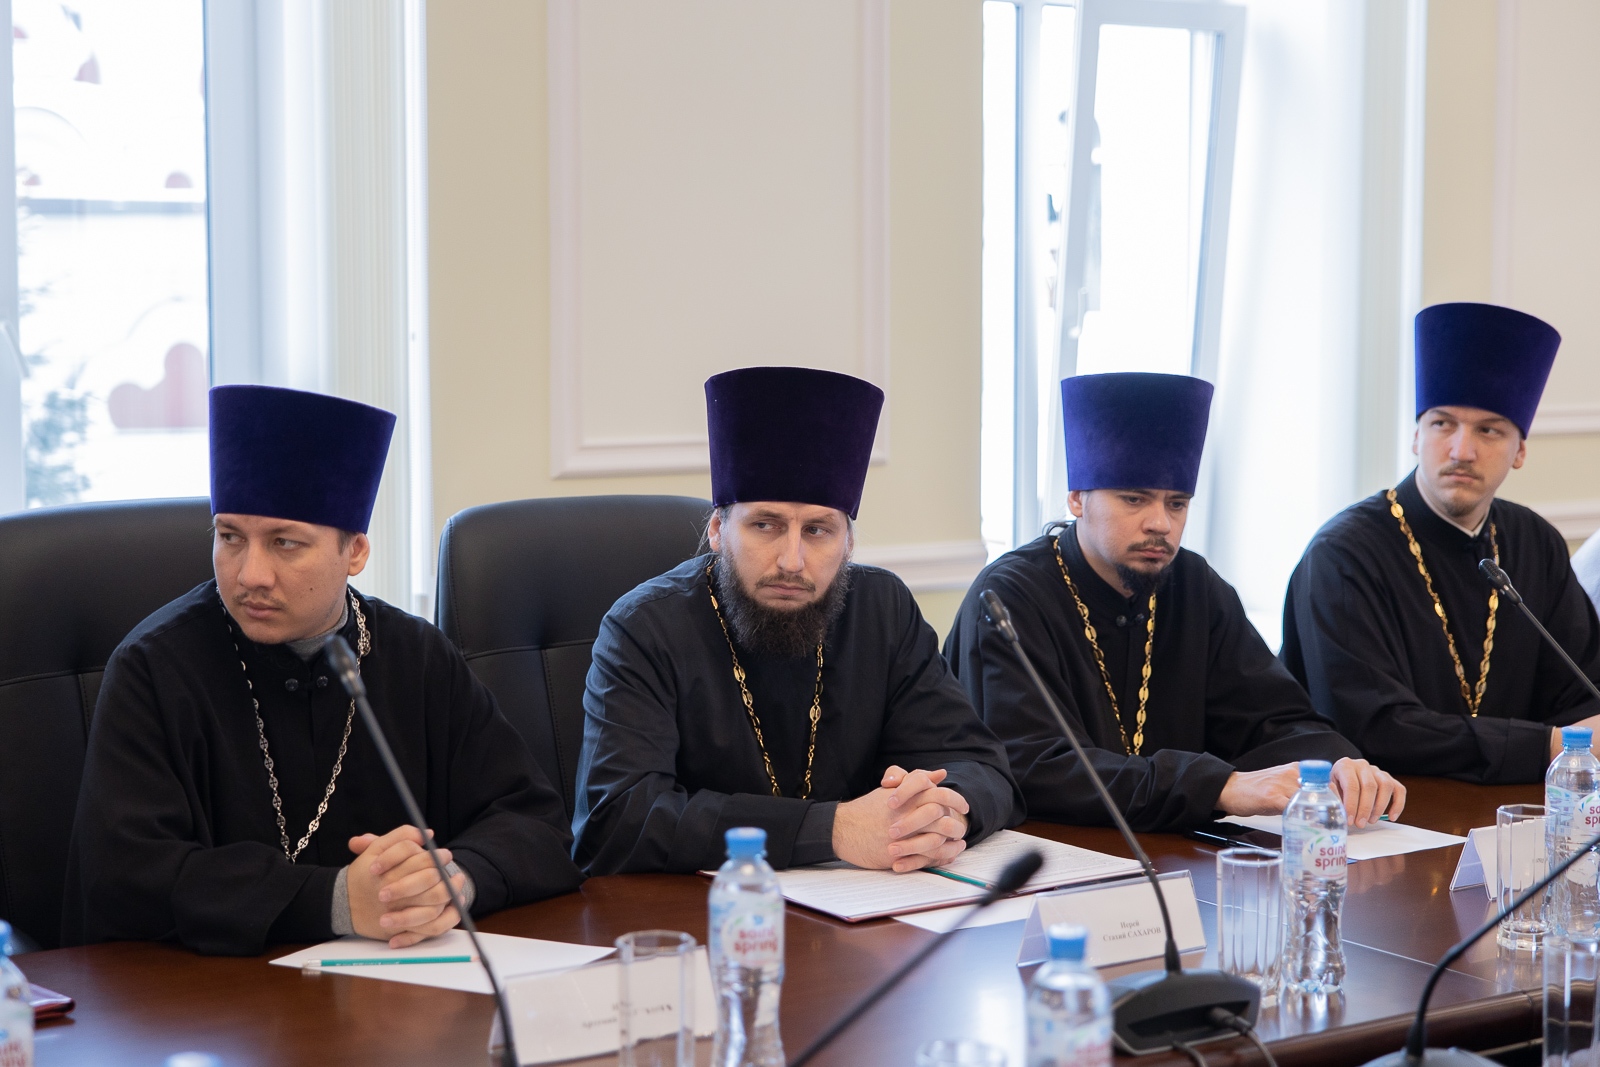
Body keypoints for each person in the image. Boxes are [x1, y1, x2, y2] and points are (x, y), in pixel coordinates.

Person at [63, 385, 582, 955]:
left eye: (285, 543)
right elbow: (125, 880)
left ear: (354, 551)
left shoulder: (417, 657)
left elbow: (536, 825)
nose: (250, 574)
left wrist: (451, 883)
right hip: (210, 998)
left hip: (398, 991)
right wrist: (335, 900)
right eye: (230, 537)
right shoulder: (153, 668)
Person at [573, 366, 1023, 875]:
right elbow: (619, 819)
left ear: (848, 543)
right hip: (709, 908)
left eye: (817, 530)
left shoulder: (883, 609)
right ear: (719, 530)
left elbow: (979, 764)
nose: (792, 561)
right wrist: (833, 829)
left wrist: (942, 813)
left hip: (867, 908)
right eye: (765, 525)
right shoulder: (644, 627)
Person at [946, 372, 1404, 833]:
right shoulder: (1009, 597)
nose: (1161, 524)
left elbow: (1274, 719)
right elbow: (1032, 766)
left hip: (1176, 852)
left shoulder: (1195, 585)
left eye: (1177, 504)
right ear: (1078, 499)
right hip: (1056, 851)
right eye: (1134, 499)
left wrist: (1334, 764)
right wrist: (1219, 787)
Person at [1283, 303, 1600, 783]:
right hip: (1388, 814)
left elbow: (1582, 691)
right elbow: (1374, 728)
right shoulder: (1342, 556)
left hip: (1519, 807)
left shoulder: (1536, 543)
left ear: (1519, 451)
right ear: (1416, 437)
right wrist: (1548, 745)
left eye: (1488, 430)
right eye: (1442, 424)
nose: (1461, 450)